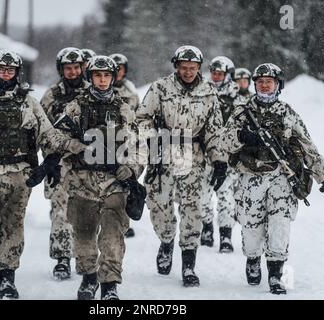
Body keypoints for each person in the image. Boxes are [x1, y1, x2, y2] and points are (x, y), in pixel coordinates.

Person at [0, 50, 83, 299]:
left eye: (11, 70)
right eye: (2, 69)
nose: (6, 74)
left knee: (12, 226)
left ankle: (7, 277)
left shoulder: (28, 102)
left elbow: (48, 134)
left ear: (17, 73)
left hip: (18, 173)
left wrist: (61, 154)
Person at [219, 63, 324, 294]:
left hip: (282, 178)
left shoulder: (287, 113)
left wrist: (323, 175)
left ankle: (275, 274)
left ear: (277, 85)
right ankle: (252, 258)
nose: (264, 85)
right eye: (260, 82)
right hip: (250, 178)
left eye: (269, 82)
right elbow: (221, 143)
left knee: (280, 225)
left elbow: (307, 145)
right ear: (255, 85)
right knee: (251, 229)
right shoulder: (242, 112)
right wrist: (242, 136)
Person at [136, 45, 226, 287]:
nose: (188, 72)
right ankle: (166, 242)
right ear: (176, 66)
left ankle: (188, 264)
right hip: (163, 152)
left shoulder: (209, 92)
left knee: (192, 210)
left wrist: (219, 160)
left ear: (199, 68)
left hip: (193, 155)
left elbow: (214, 130)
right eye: (184, 68)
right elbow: (141, 118)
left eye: (193, 68)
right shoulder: (160, 88)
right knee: (159, 207)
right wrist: (152, 137)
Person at [62, 55, 144, 300]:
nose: (102, 80)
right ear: (90, 77)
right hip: (83, 182)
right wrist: (77, 148)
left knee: (112, 236)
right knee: (84, 235)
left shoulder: (123, 109)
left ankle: (109, 286)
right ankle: (89, 279)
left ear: (113, 77)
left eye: (106, 75)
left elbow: (139, 145)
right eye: (97, 75)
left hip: (114, 184)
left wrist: (131, 168)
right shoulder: (75, 107)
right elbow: (56, 141)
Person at [39, 47, 89, 280]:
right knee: (61, 212)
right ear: (61, 70)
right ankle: (62, 259)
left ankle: (87, 256)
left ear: (82, 68)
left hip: (89, 164)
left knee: (90, 212)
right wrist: (49, 159)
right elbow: (41, 129)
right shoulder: (51, 96)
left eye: (76, 67)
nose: (72, 72)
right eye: (68, 68)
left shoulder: (93, 92)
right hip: (59, 163)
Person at [200, 56, 239, 253]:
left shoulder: (237, 96)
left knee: (226, 197)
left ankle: (226, 235)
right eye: (214, 73)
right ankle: (206, 228)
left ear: (227, 75)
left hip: (228, 154)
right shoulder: (202, 91)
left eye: (220, 74)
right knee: (203, 195)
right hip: (204, 152)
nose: (216, 77)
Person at [109, 53, 141, 238]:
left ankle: (124, 220)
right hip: (104, 140)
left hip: (125, 141)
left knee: (125, 182)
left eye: (121, 68)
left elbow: (138, 117)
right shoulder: (100, 85)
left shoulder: (131, 92)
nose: (118, 72)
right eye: (115, 68)